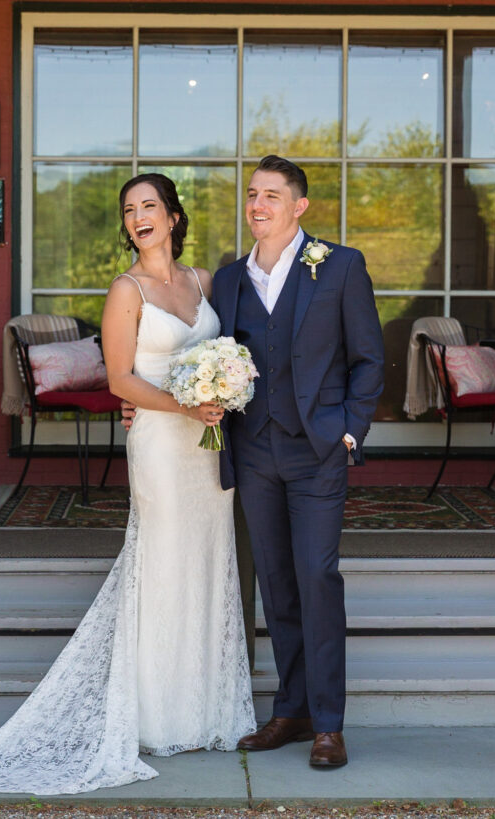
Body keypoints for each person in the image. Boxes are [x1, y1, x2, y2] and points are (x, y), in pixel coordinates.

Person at [0, 173, 255, 795]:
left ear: (175, 216)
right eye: (129, 211)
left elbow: (226, 351)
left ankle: (207, 711)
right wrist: (183, 407)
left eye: (150, 207)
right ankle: (155, 716)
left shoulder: (201, 283)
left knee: (207, 564)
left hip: (208, 446)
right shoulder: (125, 290)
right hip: (162, 443)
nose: (139, 218)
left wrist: (224, 388)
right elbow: (121, 381)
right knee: (161, 563)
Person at [212, 155, 383, 768]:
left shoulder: (340, 266)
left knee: (317, 578)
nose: (257, 205)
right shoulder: (228, 280)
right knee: (278, 585)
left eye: (271, 196)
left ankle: (329, 724)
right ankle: (291, 710)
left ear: (299, 206)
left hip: (317, 451)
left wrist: (348, 431)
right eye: (252, 195)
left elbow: (369, 359)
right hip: (254, 450)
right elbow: (207, 357)